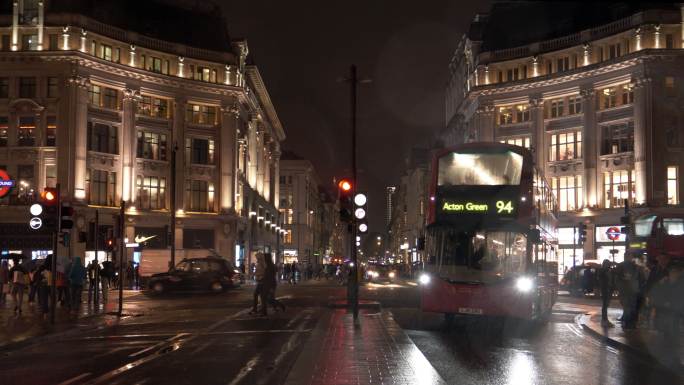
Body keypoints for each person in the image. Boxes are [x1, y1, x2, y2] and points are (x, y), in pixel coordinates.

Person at [598, 259, 614, 327]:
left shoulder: (608, 270)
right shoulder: (602, 270)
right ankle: (604, 320)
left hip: (608, 289)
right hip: (605, 289)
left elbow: (611, 280)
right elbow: (602, 279)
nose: (609, 265)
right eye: (607, 264)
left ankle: (605, 319)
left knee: (606, 304)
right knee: (605, 305)